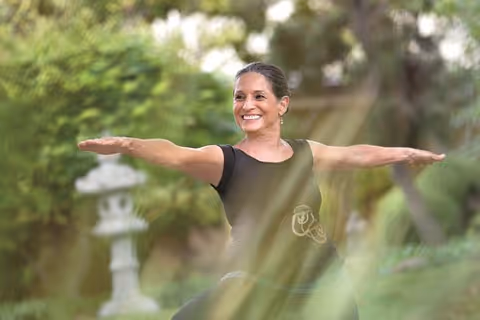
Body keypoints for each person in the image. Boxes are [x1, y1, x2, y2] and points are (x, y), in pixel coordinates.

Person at [78, 62, 445, 319]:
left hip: (321, 281)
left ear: (282, 104)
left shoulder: (306, 153)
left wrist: (403, 153)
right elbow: (175, 154)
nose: (247, 105)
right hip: (262, 284)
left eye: (258, 96)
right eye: (239, 97)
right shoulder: (225, 161)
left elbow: (355, 154)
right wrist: (127, 144)